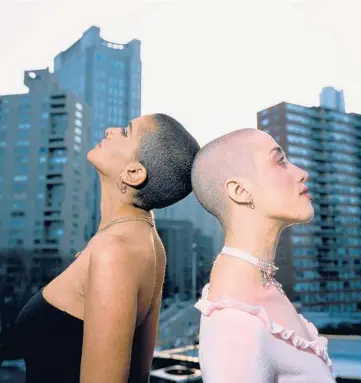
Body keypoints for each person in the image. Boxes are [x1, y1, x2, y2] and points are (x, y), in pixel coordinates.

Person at [15, 114, 200, 383]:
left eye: (126, 132)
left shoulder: (115, 250)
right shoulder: (147, 240)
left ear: (134, 173)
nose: (110, 130)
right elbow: (139, 375)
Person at [191, 128, 336, 382]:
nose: (302, 173)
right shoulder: (235, 323)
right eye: (280, 161)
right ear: (240, 191)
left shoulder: (262, 286)